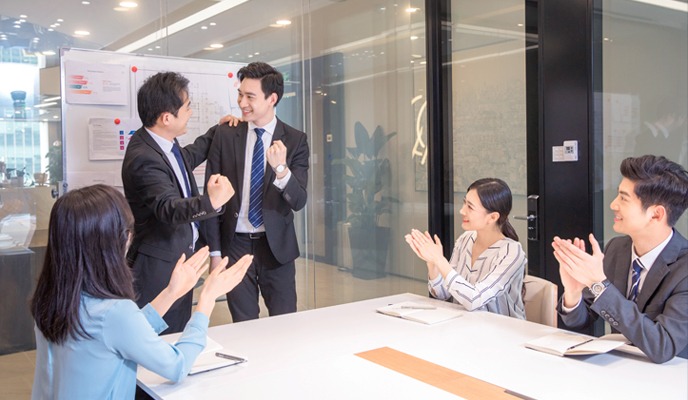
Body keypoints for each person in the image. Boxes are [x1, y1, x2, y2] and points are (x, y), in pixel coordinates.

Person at [30, 184, 253, 400]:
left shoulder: (53, 300)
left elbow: (121, 332)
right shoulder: (114, 312)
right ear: (118, 240)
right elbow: (176, 366)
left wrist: (171, 293)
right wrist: (207, 298)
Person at [122, 71, 238, 333]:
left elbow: (187, 157)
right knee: (159, 335)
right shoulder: (143, 157)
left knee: (176, 330)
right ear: (166, 118)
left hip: (179, 260)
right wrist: (211, 202)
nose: (190, 112)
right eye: (187, 107)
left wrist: (216, 132)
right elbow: (168, 208)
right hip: (158, 267)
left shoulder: (162, 143)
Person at [553, 155, 688, 363]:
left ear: (656, 214)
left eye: (624, 198)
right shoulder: (618, 248)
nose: (613, 204)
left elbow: (663, 345)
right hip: (618, 366)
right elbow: (581, 321)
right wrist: (573, 292)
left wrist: (600, 285)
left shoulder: (684, 267)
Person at [205, 62, 309, 322]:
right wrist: (215, 253)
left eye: (250, 96)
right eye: (240, 94)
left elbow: (298, 200)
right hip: (235, 244)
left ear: (272, 99)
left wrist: (282, 170)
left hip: (276, 248)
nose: (242, 103)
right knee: (243, 323)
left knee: (284, 322)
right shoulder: (226, 135)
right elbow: (212, 200)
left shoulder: (295, 140)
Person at [405, 178, 527, 319]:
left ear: (492, 217)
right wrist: (432, 264)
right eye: (464, 203)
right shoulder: (465, 239)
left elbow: (475, 300)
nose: (462, 210)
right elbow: (442, 294)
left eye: (470, 207)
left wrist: (440, 260)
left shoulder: (512, 252)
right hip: (465, 325)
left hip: (502, 332)